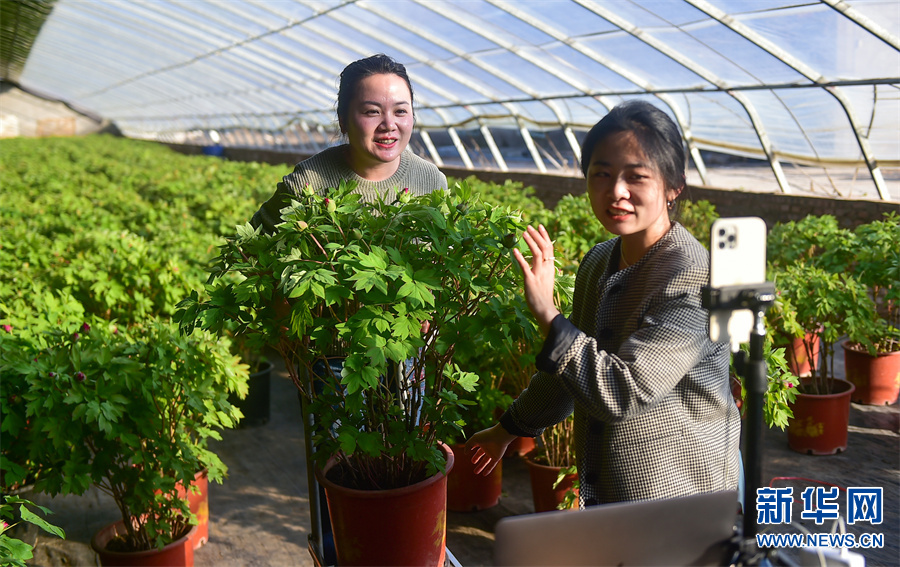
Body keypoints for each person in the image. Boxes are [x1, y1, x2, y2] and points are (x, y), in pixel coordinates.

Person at [465, 100, 741, 506]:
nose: (616, 192)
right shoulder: (600, 260)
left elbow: (622, 391)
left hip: (682, 497)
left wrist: (547, 314)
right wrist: (508, 429)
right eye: (602, 174)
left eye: (636, 177)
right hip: (612, 494)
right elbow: (569, 372)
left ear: (673, 185)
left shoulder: (691, 274)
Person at [251, 53, 447, 233]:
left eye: (400, 111)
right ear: (343, 120)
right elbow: (249, 247)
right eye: (372, 111)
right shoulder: (308, 183)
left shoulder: (431, 181)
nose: (389, 125)